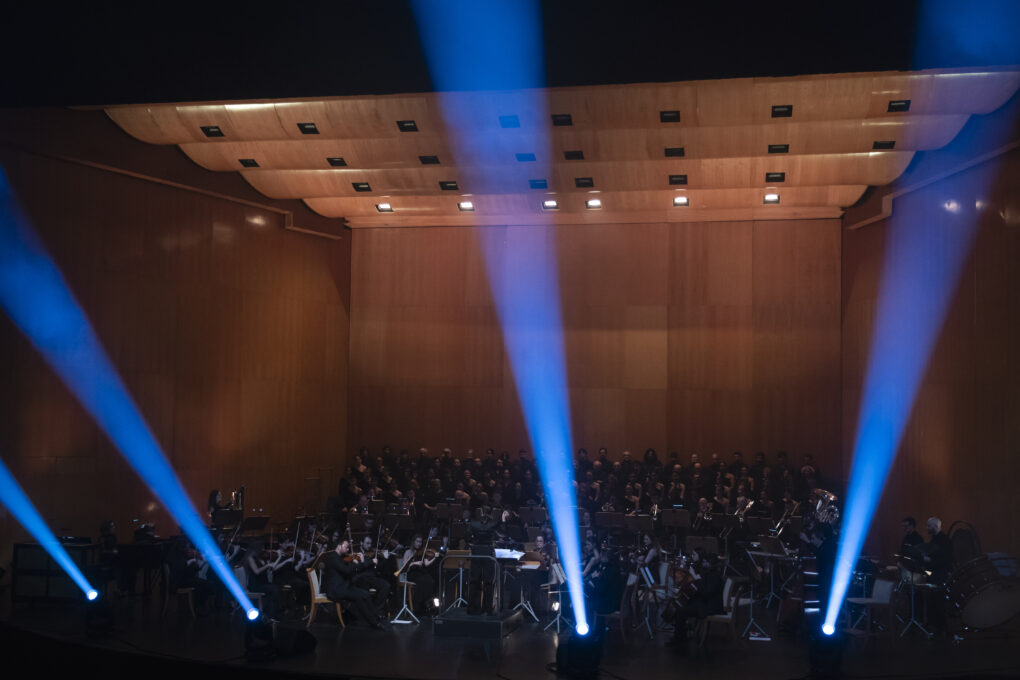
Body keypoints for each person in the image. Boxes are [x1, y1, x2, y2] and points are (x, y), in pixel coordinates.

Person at [321, 540, 385, 629]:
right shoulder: (333, 558)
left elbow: (347, 570)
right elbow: (347, 571)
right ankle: (374, 622)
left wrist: (354, 563)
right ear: (339, 546)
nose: (348, 550)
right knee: (360, 596)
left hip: (343, 586)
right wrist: (363, 563)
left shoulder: (340, 557)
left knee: (365, 594)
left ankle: (375, 618)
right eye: (346, 547)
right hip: (336, 590)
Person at [669, 549, 724, 651]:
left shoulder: (714, 576)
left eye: (704, 562)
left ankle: (679, 638)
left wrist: (695, 577)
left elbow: (706, 593)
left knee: (681, 610)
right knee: (682, 605)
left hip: (710, 607)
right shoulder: (711, 573)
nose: (702, 563)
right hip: (706, 603)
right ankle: (680, 636)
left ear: (709, 563)